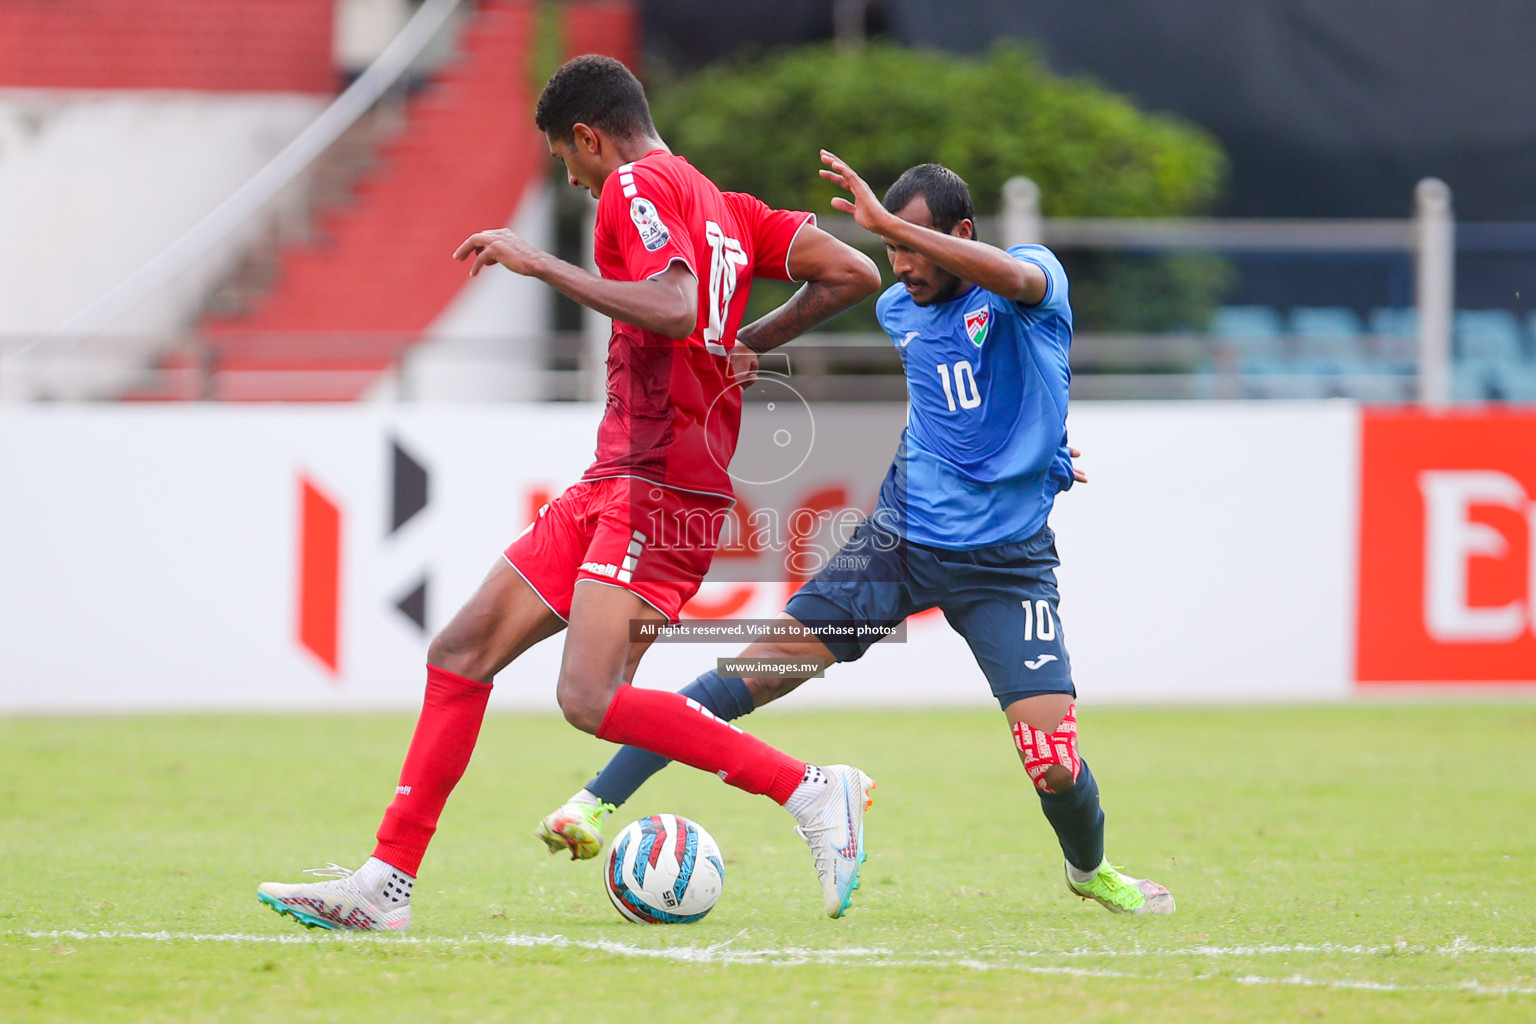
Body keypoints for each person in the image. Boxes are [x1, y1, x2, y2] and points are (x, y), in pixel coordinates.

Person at [256, 57, 883, 931]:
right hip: (622, 477)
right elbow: (855, 270)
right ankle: (384, 885)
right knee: (462, 647)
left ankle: (811, 790)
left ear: (590, 136)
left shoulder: (634, 187)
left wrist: (538, 263)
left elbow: (670, 303)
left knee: (588, 698)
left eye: (566, 160)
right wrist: (748, 341)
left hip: (660, 482)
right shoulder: (729, 207)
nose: (575, 182)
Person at [536, 153, 1174, 916]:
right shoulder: (901, 310)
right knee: (753, 672)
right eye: (893, 247)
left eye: (915, 243)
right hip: (897, 548)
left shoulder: (1031, 278)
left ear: (962, 234)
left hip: (1008, 566)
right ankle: (595, 802)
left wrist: (1042, 454)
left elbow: (1014, 286)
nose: (902, 264)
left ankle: (1089, 870)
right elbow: (961, 410)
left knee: (1052, 762)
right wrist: (757, 343)